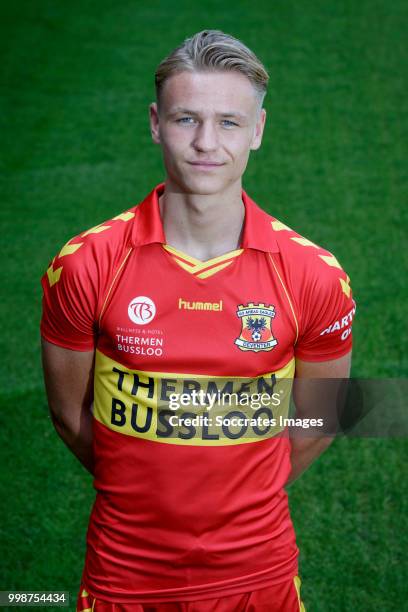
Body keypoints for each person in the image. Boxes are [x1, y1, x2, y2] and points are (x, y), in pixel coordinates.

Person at [40, 30, 356, 612]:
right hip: (122, 572)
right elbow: (67, 414)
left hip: (257, 574)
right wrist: (140, 489)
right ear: (156, 123)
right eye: (187, 119)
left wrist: (242, 496)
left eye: (230, 123)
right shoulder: (86, 264)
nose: (207, 143)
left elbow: (325, 415)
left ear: (257, 131)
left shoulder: (313, 275)